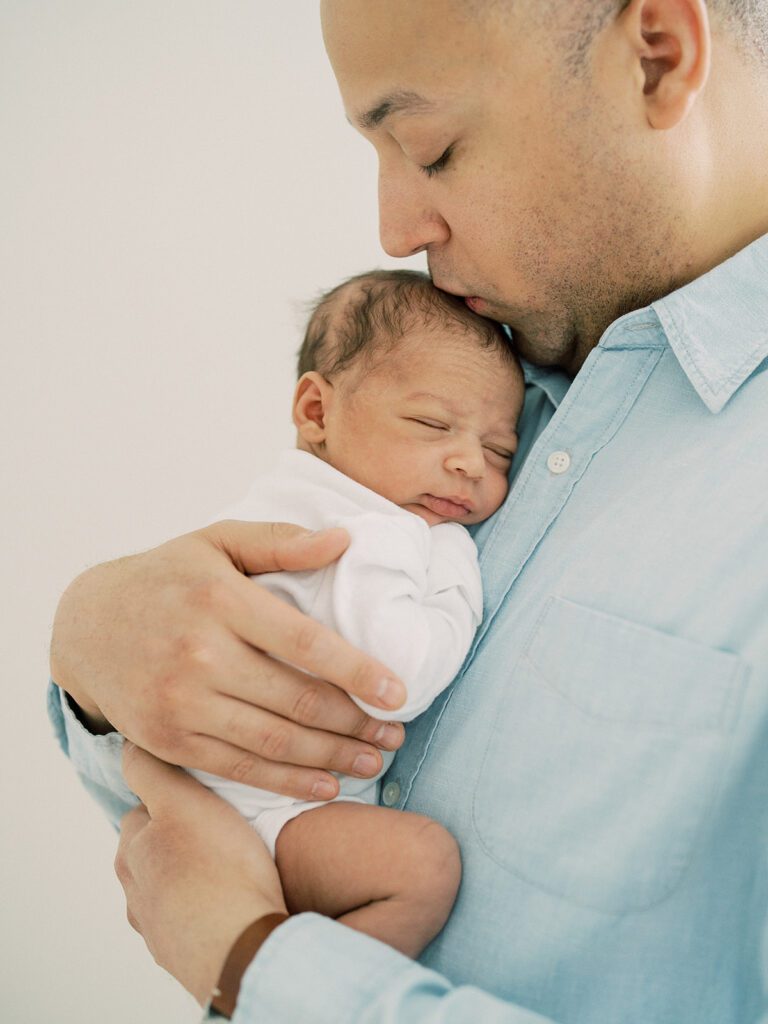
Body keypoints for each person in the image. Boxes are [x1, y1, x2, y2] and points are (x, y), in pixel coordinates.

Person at [48, 0, 768, 1021]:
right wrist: (93, 657)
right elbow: (195, 806)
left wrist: (256, 967)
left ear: (656, 57)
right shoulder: (487, 385)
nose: (393, 229)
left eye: (432, 149)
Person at [71, 267, 523, 963]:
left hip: (216, 800)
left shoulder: (290, 499)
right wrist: (456, 562)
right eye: (433, 425)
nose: (469, 463)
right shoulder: (367, 531)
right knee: (423, 869)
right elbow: (402, 674)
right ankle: (292, 993)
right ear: (316, 412)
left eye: (500, 453)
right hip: (265, 818)